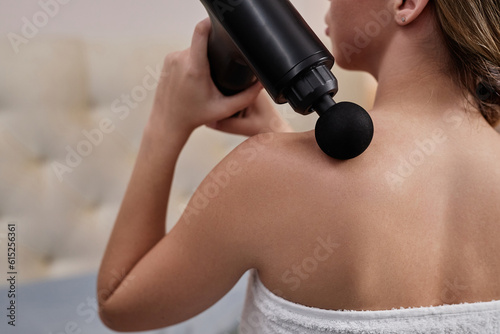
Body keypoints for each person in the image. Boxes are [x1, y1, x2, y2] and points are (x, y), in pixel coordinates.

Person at [97, 0, 500, 332]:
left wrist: (165, 125)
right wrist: (280, 140)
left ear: (406, 4)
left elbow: (120, 305)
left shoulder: (263, 174)